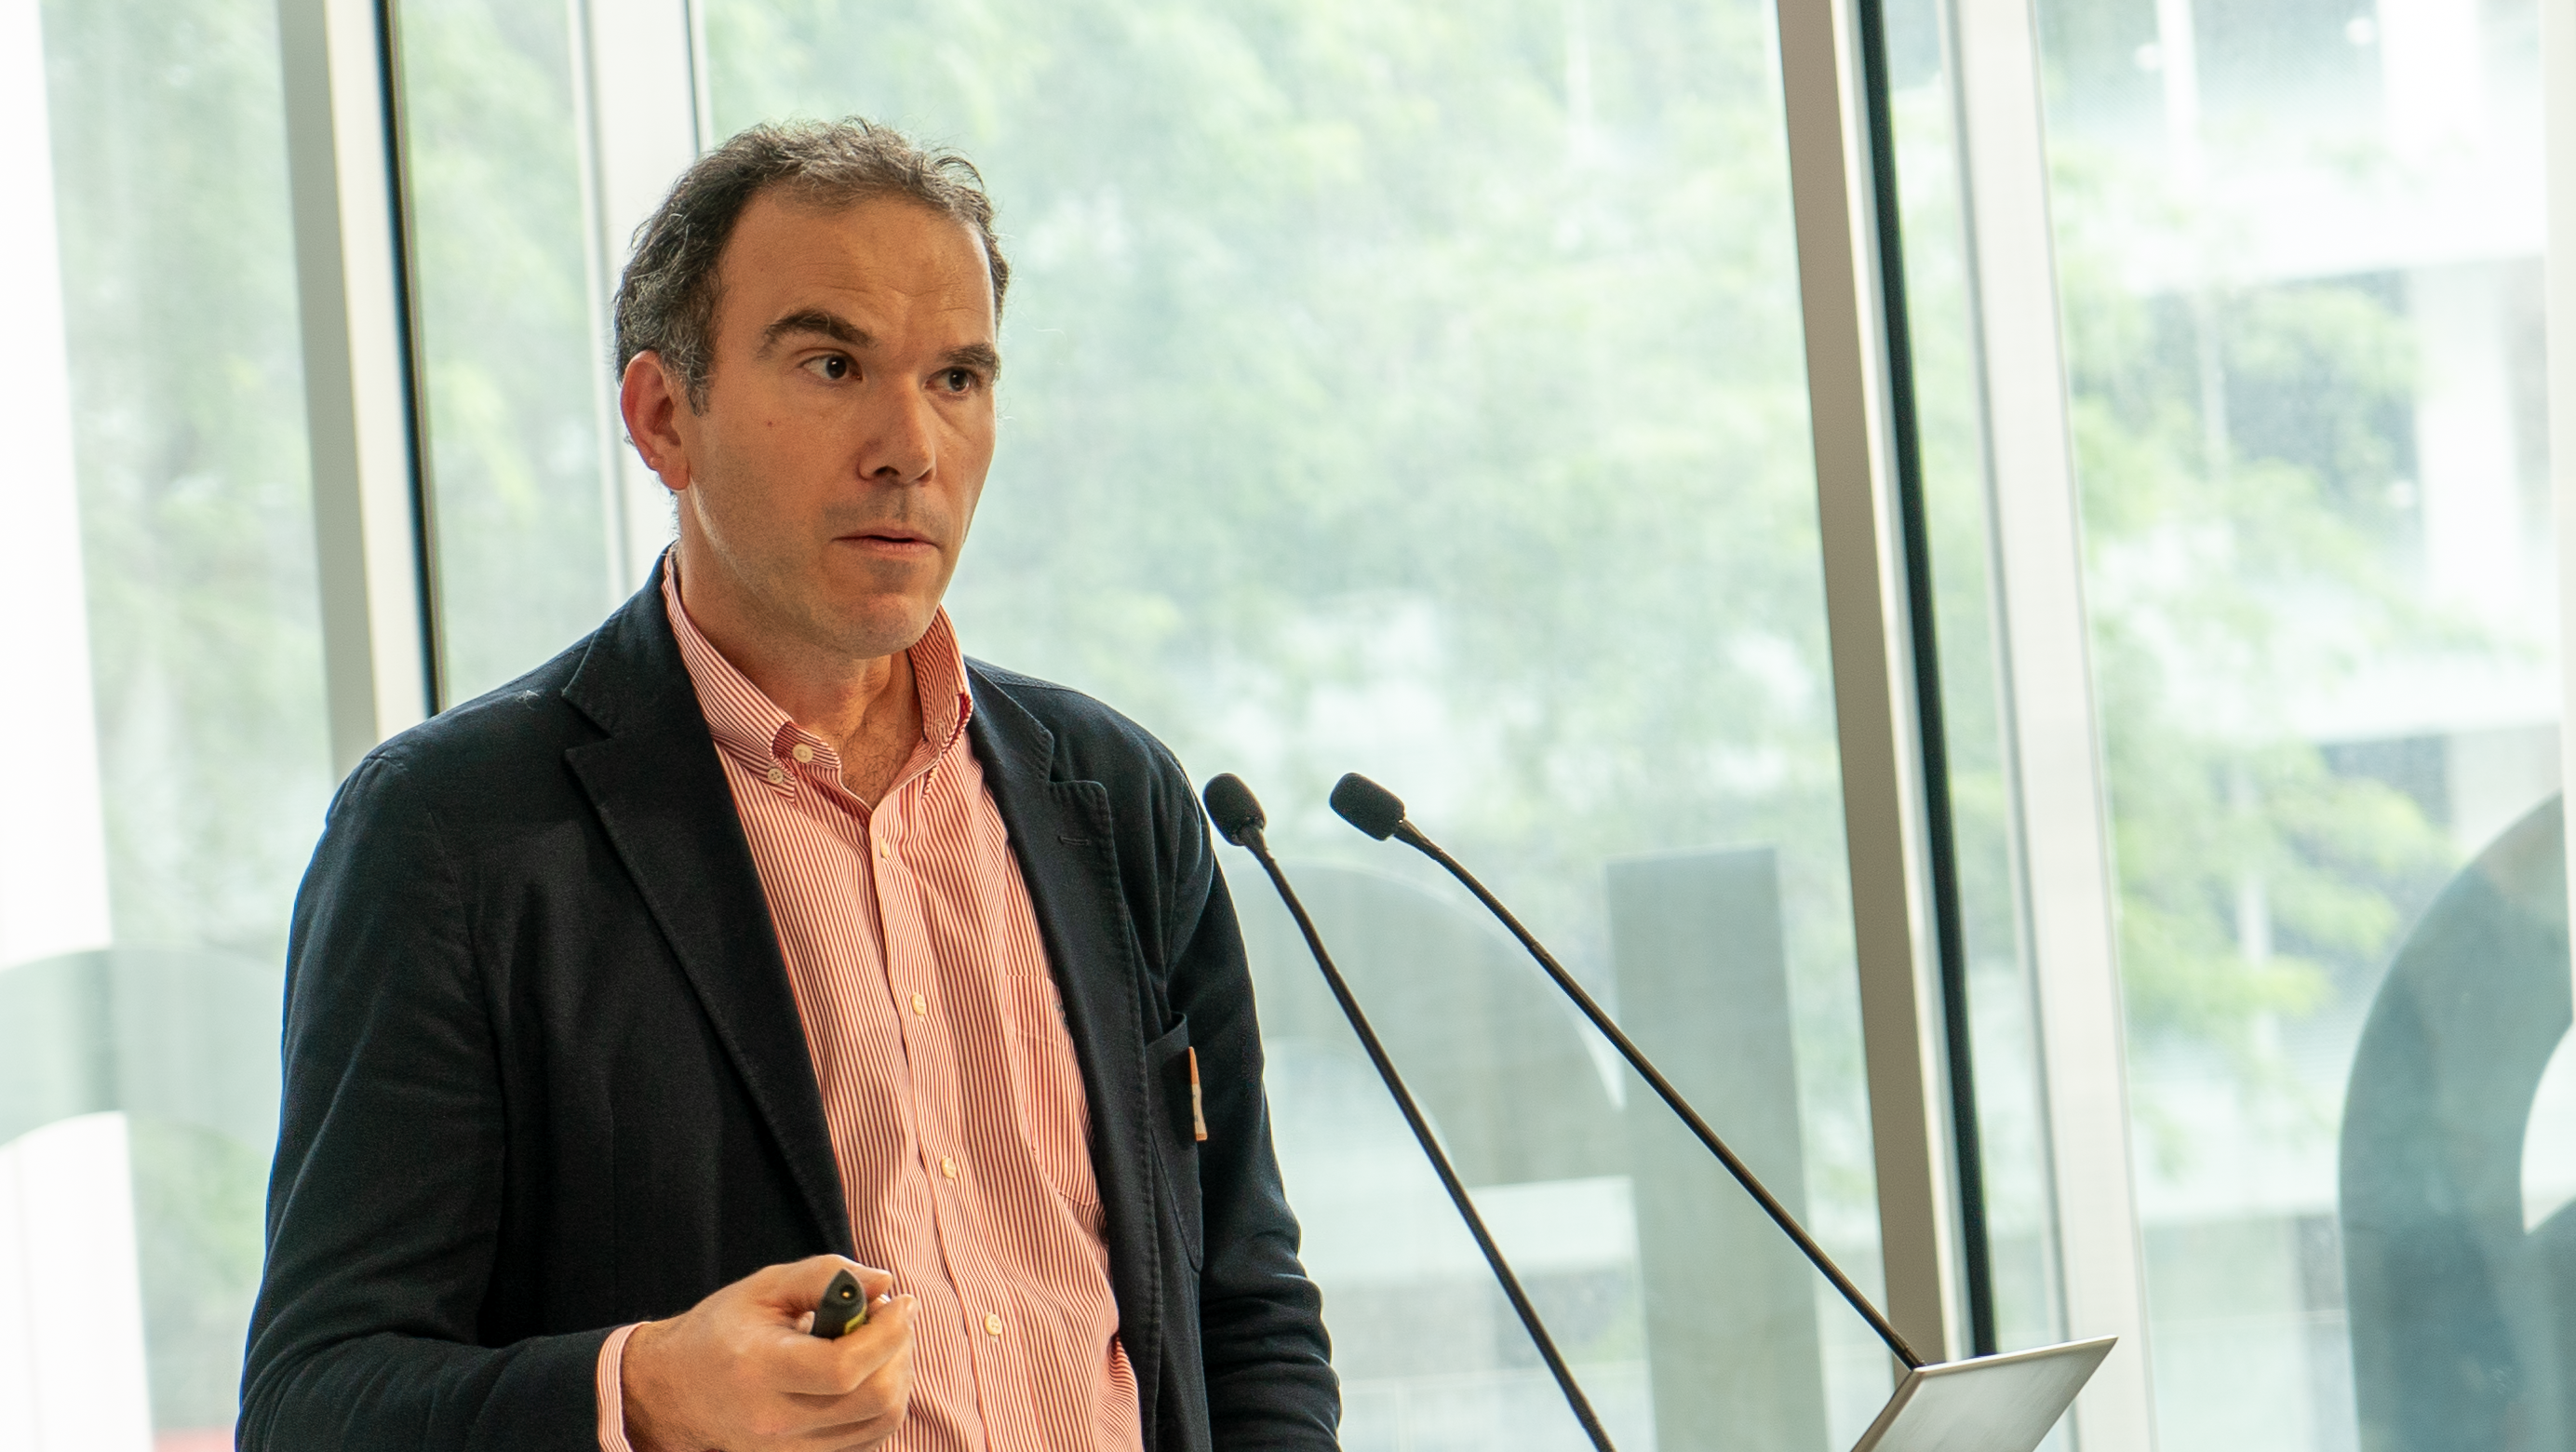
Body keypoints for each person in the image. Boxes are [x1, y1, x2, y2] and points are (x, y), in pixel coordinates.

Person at [237, 119, 1340, 1452]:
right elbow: (314, 1403)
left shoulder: (1113, 794)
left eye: (957, 377)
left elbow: (1246, 1311)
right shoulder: (454, 832)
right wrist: (644, 1390)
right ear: (664, 418)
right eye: (832, 366)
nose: (909, 446)